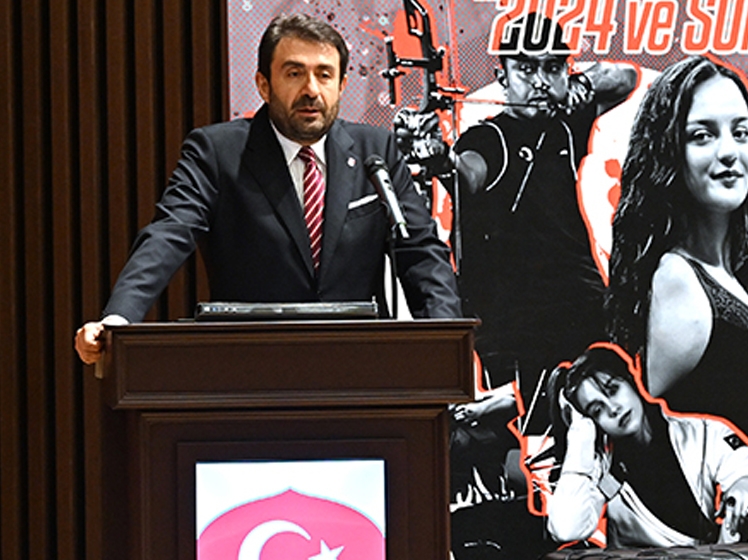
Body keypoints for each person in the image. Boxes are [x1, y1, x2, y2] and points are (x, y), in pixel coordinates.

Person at [75, 13, 461, 364]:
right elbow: (169, 233)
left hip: (359, 366)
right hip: (250, 368)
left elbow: (420, 250)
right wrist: (119, 318)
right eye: (294, 74)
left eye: (324, 75)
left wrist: (446, 340)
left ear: (342, 85)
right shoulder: (218, 153)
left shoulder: (375, 151)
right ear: (263, 84)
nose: (311, 90)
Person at [394, 14, 637, 559]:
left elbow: (622, 77)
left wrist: (570, 86)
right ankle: (550, 530)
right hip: (514, 322)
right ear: (502, 73)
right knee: (537, 440)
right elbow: (468, 169)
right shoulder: (490, 136)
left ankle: (588, 526)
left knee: (594, 425)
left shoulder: (564, 119)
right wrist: (438, 157)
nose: (539, 80)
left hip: (578, 305)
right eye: (526, 69)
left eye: (551, 67)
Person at [605, 55, 748, 447]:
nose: (729, 151)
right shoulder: (678, 279)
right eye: (702, 136)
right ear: (668, 152)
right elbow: (651, 440)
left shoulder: (725, 276)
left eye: (740, 132)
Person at [546, 344, 748, 549]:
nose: (613, 409)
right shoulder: (599, 468)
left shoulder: (703, 433)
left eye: (613, 389)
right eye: (596, 409)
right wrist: (580, 434)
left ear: (630, 380)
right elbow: (566, 529)